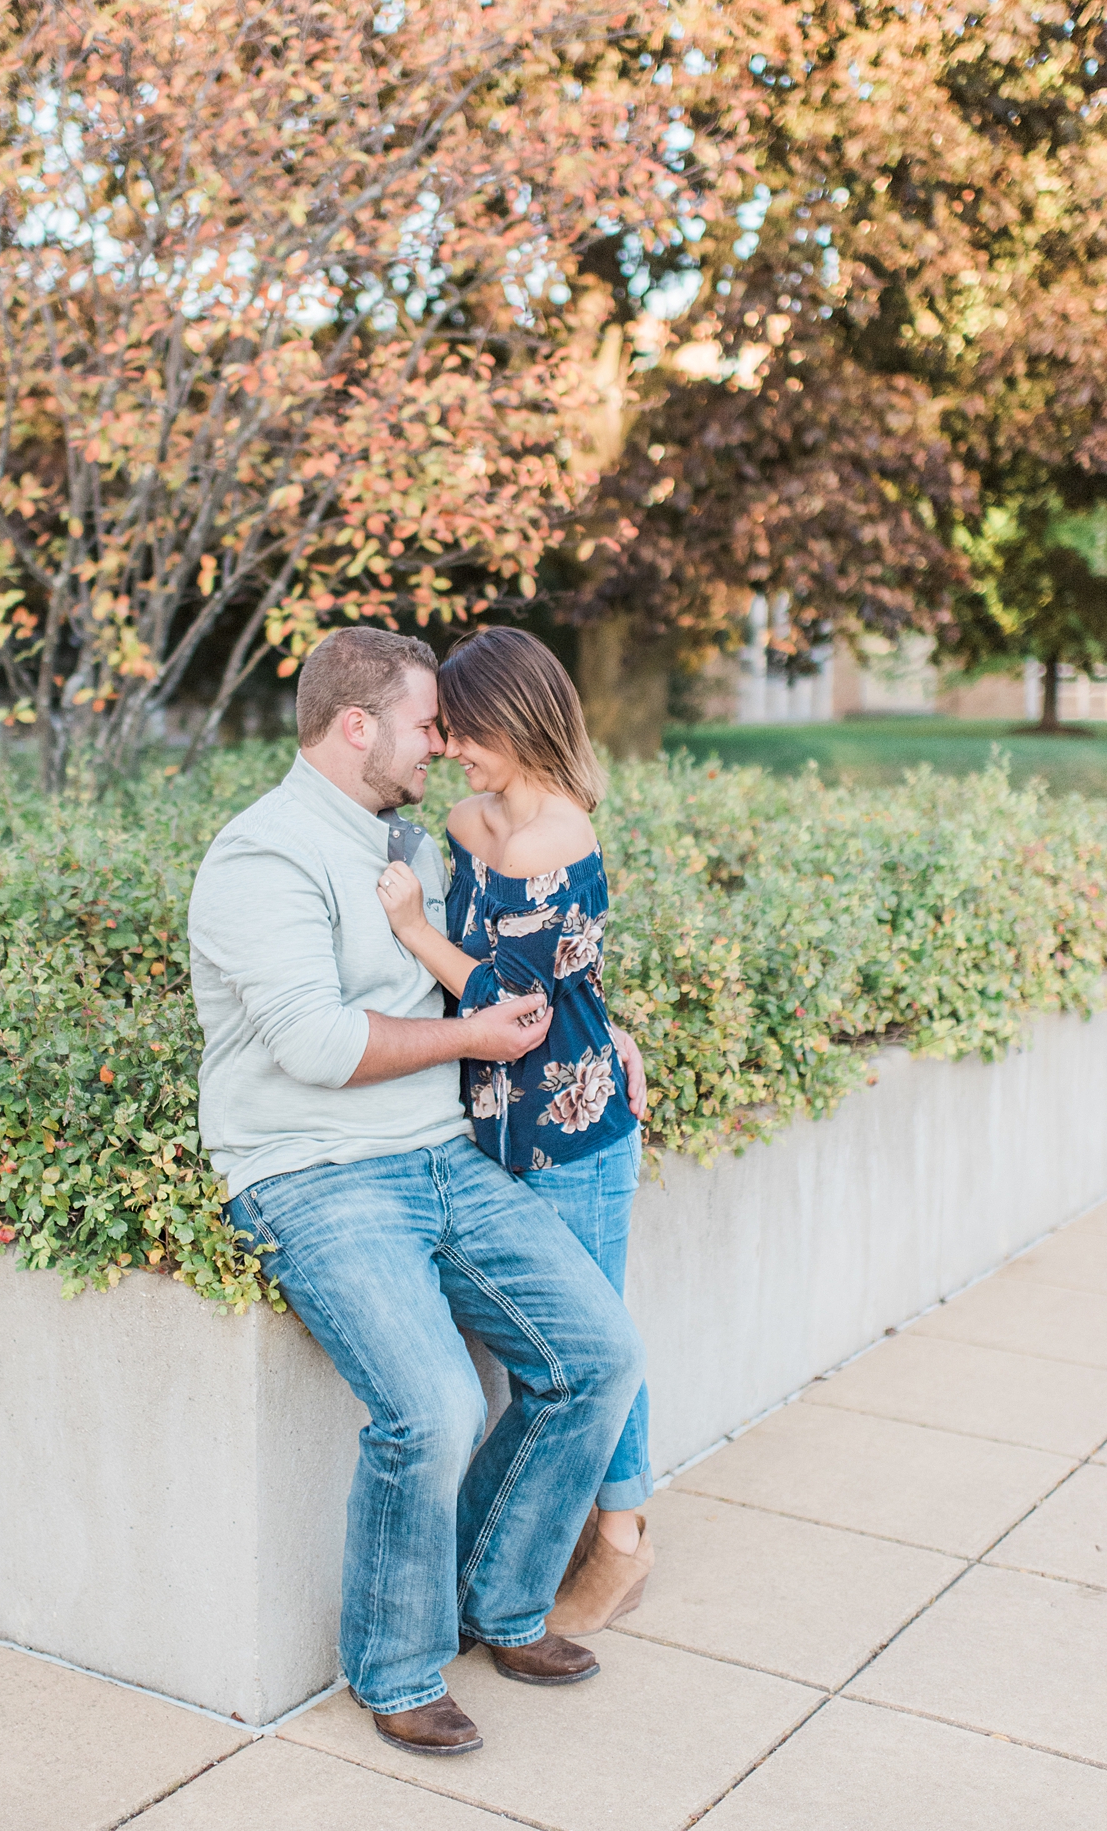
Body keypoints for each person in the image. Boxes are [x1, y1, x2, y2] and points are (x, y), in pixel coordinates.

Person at [188, 626, 645, 1758]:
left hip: (441, 1151)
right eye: (424, 724)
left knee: (597, 1358)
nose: (440, 743)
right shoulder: (265, 859)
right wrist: (474, 1034)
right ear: (358, 728)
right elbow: (315, 1044)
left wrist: (593, 1026)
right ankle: (393, 1667)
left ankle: (500, 1602)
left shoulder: (403, 841)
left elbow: (511, 964)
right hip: (316, 1175)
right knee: (433, 1409)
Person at [375, 626, 654, 1636]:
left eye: (465, 732)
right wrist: (607, 1019)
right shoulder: (465, 818)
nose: (451, 749)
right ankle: (569, 1525)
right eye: (442, 732)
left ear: (517, 722)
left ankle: (620, 1538)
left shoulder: (558, 838)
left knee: (597, 1333)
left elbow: (518, 1008)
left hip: (572, 1133)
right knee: (573, 1336)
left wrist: (414, 932)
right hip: (488, 1127)